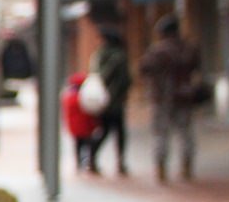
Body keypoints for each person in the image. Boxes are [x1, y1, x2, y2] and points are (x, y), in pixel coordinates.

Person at [139, 14, 203, 183]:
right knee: (186, 134)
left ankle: (161, 170)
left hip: (162, 99)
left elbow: (144, 69)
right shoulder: (189, 48)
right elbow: (197, 67)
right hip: (184, 97)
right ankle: (186, 168)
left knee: (161, 134)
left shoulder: (157, 50)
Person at [89, 24, 132, 175]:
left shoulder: (100, 55)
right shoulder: (118, 55)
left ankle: (92, 158)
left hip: (102, 99)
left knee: (104, 130)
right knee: (117, 132)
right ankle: (120, 162)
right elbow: (126, 79)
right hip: (115, 101)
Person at [61, 72, 102, 172]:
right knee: (87, 145)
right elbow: (89, 113)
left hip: (75, 128)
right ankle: (86, 161)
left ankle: (79, 162)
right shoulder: (81, 98)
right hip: (85, 128)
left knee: (78, 146)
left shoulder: (68, 96)